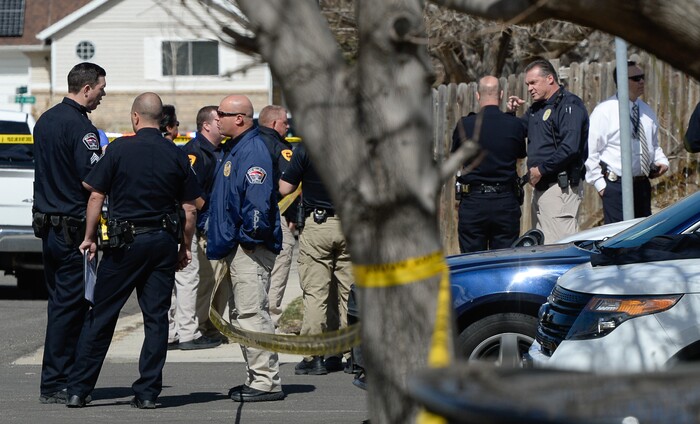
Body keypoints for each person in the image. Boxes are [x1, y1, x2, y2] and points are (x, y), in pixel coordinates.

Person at [64, 92, 200, 409]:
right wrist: (185, 246)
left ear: (135, 117)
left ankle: (78, 389)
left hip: (124, 244)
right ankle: (148, 392)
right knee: (156, 320)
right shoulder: (176, 153)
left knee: (102, 316)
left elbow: (95, 197)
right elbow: (190, 209)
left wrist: (89, 237)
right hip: (163, 243)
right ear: (161, 120)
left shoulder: (119, 149)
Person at [32, 62, 107, 404]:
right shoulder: (81, 128)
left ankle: (58, 377)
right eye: (101, 89)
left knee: (60, 304)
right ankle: (57, 381)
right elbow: (91, 179)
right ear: (87, 87)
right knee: (71, 306)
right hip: (72, 227)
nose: (103, 95)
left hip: (49, 226)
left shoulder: (45, 120)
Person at [206, 95, 285, 402]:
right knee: (242, 315)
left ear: (239, 119)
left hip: (249, 248)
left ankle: (266, 382)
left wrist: (249, 239)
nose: (217, 119)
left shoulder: (252, 151)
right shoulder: (235, 149)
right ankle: (255, 377)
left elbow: (256, 203)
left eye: (222, 114)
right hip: (236, 245)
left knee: (253, 314)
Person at [279, 143, 354, 375]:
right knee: (350, 293)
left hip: (319, 224)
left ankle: (314, 357)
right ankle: (353, 355)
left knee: (316, 293)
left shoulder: (307, 148)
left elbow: (284, 188)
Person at [507, 59, 589, 243]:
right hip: (541, 188)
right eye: (527, 84)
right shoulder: (537, 109)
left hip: (560, 188)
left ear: (550, 78)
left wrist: (541, 170)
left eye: (533, 83)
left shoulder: (569, 105)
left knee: (559, 245)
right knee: (542, 246)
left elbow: (570, 148)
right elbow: (518, 133)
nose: (529, 88)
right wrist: (511, 114)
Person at [167, 105, 226, 350]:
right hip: (199, 224)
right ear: (206, 125)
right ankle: (190, 331)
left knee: (211, 282)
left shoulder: (223, 149)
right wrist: (211, 212)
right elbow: (192, 193)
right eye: (218, 119)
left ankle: (203, 327)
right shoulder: (194, 152)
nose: (222, 123)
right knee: (192, 281)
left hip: (215, 225)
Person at [585, 61, 669, 224]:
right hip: (616, 186)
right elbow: (591, 151)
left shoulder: (646, 110)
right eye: (636, 78)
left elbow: (653, 145)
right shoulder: (604, 111)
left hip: (642, 185)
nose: (642, 82)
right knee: (620, 241)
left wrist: (661, 161)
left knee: (643, 238)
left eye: (642, 77)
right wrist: (601, 185)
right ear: (622, 81)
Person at [451, 76, 527, 252]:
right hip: (505, 202)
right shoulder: (514, 124)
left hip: (474, 202)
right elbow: (520, 155)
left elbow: (457, 157)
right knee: (504, 261)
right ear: (500, 95)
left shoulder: (465, 124)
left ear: (478, 95)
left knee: (472, 261)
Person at [257, 105, 297, 328]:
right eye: (285, 122)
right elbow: (286, 188)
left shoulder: (247, 143)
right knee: (283, 254)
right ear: (273, 124)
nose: (288, 126)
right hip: (273, 212)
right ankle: (270, 315)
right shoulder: (280, 147)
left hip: (247, 214)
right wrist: (292, 216)